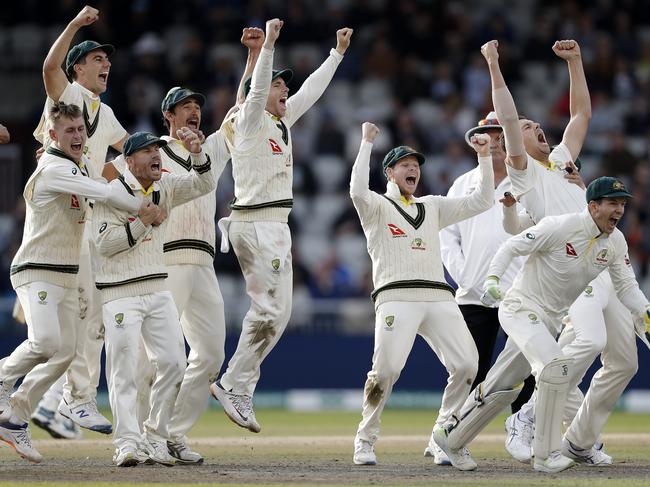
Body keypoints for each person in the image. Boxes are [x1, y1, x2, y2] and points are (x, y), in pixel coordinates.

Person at [484, 39, 636, 467]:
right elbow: (509, 119)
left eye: (536, 124)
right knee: (588, 339)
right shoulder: (524, 172)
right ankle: (529, 415)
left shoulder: (562, 160)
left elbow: (581, 114)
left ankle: (579, 441)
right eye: (529, 126)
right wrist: (495, 65)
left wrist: (576, 62)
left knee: (624, 363)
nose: (535, 128)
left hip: (604, 260)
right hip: (569, 266)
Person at [436, 177, 650, 474]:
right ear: (593, 206)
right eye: (613, 203)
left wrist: (646, 315)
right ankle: (546, 454)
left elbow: (627, 288)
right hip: (520, 308)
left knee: (503, 387)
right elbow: (512, 246)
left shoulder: (614, 242)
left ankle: (451, 437)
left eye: (623, 204)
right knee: (556, 367)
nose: (620, 210)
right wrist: (493, 280)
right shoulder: (560, 226)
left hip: (547, 321)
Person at [130, 26, 265, 465]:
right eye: (185, 108)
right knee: (158, 358)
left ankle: (172, 434)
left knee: (209, 354)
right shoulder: (153, 155)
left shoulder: (210, 149)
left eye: (197, 108)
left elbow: (243, 109)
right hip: (164, 260)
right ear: (168, 116)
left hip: (202, 260)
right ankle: (142, 434)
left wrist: (254, 55)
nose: (194, 113)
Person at [210, 18, 353, 433]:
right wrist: (268, 44)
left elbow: (311, 91)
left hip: (274, 224)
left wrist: (336, 54)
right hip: (255, 221)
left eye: (283, 85)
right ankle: (234, 384)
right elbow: (253, 93)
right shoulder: (250, 120)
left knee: (280, 312)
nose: (285, 89)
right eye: (278, 84)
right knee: (270, 311)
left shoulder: (279, 122)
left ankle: (240, 385)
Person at [0, 102, 140, 463]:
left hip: (64, 273)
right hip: (37, 268)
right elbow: (107, 193)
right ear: (52, 135)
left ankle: (14, 418)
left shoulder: (78, 166)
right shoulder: (54, 168)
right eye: (70, 131)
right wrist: (142, 207)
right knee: (46, 342)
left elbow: (102, 184)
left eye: (81, 130)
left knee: (64, 353)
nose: (78, 136)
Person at [350, 122, 494, 466]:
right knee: (384, 371)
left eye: (416, 165)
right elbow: (356, 191)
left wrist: (485, 156)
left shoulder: (432, 205)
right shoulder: (375, 206)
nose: (413, 168)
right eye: (405, 164)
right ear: (390, 172)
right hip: (395, 296)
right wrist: (367, 142)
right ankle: (365, 439)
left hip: (439, 297)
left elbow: (482, 200)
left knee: (467, 364)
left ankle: (444, 435)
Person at [31, 4, 128, 436]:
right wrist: (74, 23)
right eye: (96, 59)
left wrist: (170, 155)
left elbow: (125, 155)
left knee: (90, 315)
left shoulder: (104, 115)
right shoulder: (67, 99)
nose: (106, 64)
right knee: (53, 326)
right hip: (54, 218)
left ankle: (72, 400)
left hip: (85, 220)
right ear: (78, 70)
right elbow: (49, 65)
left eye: (107, 59)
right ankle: (48, 399)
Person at [92, 129, 215, 467]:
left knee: (175, 362)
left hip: (158, 288)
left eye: (158, 150)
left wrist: (198, 154)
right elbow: (103, 244)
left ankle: (156, 437)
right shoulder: (111, 192)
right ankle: (127, 443)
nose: (156, 155)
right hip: (120, 293)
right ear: (129, 161)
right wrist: (142, 222)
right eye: (147, 151)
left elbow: (204, 185)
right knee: (124, 370)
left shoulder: (166, 187)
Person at [439, 112, 535, 444]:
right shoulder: (463, 184)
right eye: (488, 136)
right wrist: (465, 275)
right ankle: (451, 436)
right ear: (476, 141)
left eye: (500, 137)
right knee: (468, 370)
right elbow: (446, 235)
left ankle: (523, 435)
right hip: (473, 295)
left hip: (519, 293)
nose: (494, 143)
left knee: (525, 369)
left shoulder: (527, 181)